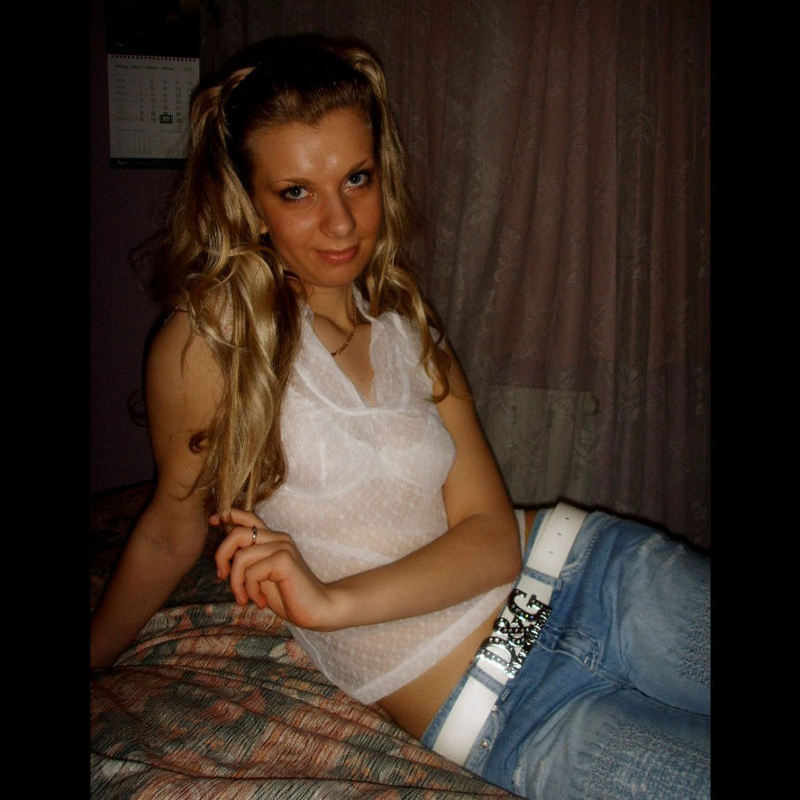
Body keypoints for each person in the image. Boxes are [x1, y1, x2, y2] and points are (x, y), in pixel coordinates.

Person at [90, 35, 710, 799]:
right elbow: (168, 528)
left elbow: (492, 543)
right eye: (297, 192)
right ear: (247, 201)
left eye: (357, 178)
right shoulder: (209, 345)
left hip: (591, 581)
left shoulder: (406, 322)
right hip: (510, 715)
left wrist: (332, 603)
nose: (341, 223)